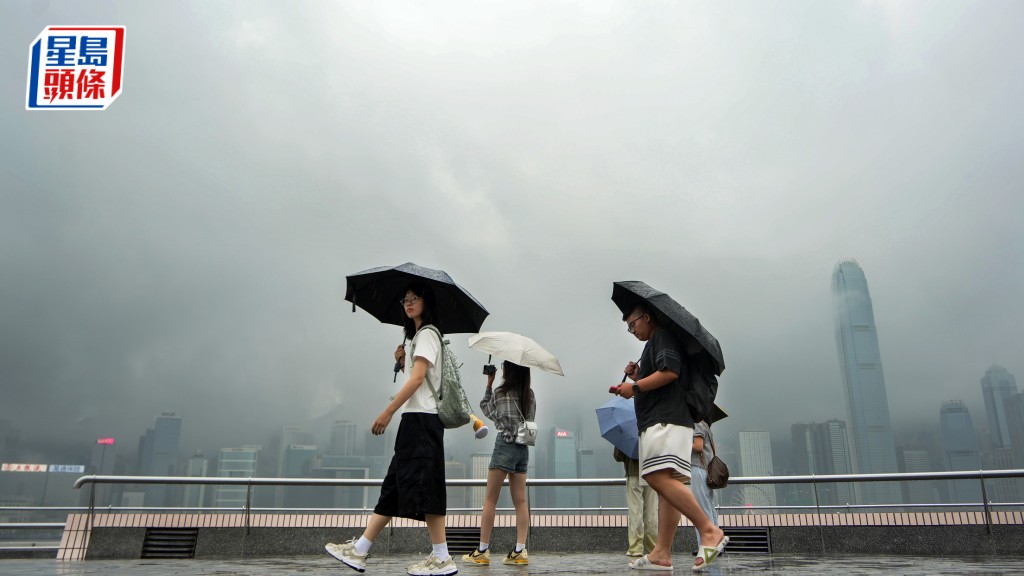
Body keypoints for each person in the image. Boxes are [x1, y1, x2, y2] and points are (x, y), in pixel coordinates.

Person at [326, 282, 456, 576]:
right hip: (417, 422)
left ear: (427, 301)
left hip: (421, 421)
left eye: (415, 298)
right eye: (405, 299)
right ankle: (360, 549)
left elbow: (418, 380)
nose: (408, 303)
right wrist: (402, 360)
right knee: (395, 486)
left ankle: (442, 558)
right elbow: (418, 374)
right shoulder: (418, 339)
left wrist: (387, 411)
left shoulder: (426, 335)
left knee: (427, 487)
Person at [615, 304, 728, 572]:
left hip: (664, 420)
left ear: (647, 317)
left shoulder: (663, 336)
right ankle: (661, 553)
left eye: (633, 325)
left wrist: (635, 386)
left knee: (655, 476)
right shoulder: (654, 342)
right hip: (667, 419)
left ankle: (709, 531)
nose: (632, 331)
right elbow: (663, 375)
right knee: (667, 488)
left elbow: (670, 372)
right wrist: (637, 376)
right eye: (628, 328)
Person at [462, 360, 536, 566]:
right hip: (522, 447)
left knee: (490, 500)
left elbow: (487, 410)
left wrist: (488, 384)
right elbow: (530, 417)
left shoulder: (500, 392)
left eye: (504, 364)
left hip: (505, 444)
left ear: (509, 370)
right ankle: (520, 551)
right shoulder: (529, 394)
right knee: (520, 502)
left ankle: (482, 550)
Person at [614, 447, 658, 557]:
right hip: (651, 473)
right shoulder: (651, 430)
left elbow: (618, 456)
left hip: (634, 473)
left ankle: (636, 548)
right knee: (651, 512)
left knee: (635, 511)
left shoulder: (627, 432)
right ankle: (654, 547)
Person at [690, 420, 718, 552]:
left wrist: (679, 442)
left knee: (701, 508)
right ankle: (715, 544)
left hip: (697, 468)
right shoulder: (706, 425)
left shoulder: (696, 424)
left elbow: (698, 446)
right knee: (709, 507)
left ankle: (706, 545)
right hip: (707, 470)